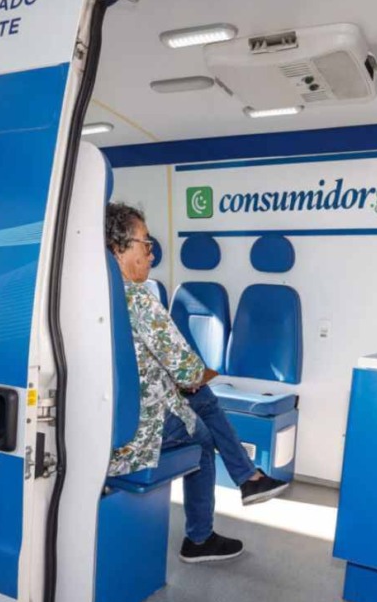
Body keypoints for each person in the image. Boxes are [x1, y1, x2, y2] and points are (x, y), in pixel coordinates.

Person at [105, 202, 289, 563]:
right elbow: (188, 371)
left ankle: (248, 478)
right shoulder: (138, 299)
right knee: (202, 434)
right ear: (117, 249)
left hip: (111, 410)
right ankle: (201, 536)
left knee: (202, 397)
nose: (151, 254)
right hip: (136, 428)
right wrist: (192, 376)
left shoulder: (95, 296)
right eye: (145, 243)